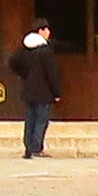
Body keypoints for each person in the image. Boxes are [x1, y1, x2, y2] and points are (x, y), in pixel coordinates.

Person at [8, 23, 61, 158]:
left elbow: (13, 62)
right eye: (46, 29)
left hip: (29, 91)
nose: (49, 32)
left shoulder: (25, 49)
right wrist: (56, 92)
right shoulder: (45, 50)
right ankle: (36, 148)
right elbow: (51, 73)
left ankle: (28, 148)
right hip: (44, 92)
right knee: (41, 120)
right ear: (41, 31)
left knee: (30, 119)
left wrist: (25, 75)